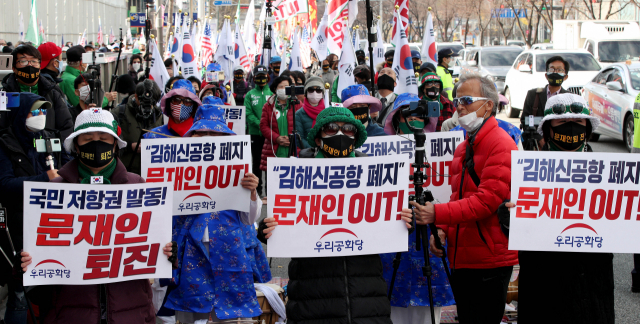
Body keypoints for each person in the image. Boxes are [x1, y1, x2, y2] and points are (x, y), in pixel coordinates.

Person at [258, 107, 414, 324]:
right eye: (331, 128)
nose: (340, 134)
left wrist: (406, 219)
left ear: (356, 136)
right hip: (313, 293)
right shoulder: (295, 174)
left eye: (348, 129)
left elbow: (395, 218)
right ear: (318, 137)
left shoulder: (374, 174)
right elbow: (276, 227)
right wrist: (266, 229)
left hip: (366, 293)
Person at [18, 109, 175, 324]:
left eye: (103, 138)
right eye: (88, 138)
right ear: (76, 145)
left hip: (130, 310)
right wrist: (25, 261)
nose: (96, 143)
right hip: (71, 313)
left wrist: (167, 253)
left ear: (114, 143)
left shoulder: (138, 186)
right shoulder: (53, 191)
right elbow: (35, 251)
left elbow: (154, 243)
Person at [414, 73, 518, 323]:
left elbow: (486, 201)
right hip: (463, 257)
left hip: (490, 260)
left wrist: (436, 215)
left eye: (467, 100)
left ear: (488, 105)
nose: (459, 106)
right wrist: (443, 232)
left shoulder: (501, 144)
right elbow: (457, 197)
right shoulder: (463, 148)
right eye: (457, 100)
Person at [506, 93, 614, 324]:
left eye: (578, 122)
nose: (572, 128)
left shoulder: (608, 175)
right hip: (545, 282)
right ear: (548, 130)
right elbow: (513, 229)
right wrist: (507, 216)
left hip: (592, 283)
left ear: (587, 129)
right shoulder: (528, 174)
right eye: (563, 122)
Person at [164, 105, 266, 323]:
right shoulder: (175, 166)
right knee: (191, 309)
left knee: (234, 310)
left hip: (230, 246)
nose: (208, 138)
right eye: (202, 133)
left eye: (215, 134)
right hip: (188, 248)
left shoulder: (238, 167)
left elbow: (249, 219)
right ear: (192, 135)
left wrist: (252, 192)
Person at [379, 92, 454, 324]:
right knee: (392, 308)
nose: (414, 120)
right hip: (392, 241)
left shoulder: (444, 151)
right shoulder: (380, 151)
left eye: (419, 115)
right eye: (408, 115)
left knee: (428, 312)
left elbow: (452, 197)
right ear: (396, 118)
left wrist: (442, 228)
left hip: (430, 239)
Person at [0, 93, 61, 324]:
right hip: (19, 229)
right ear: (19, 113)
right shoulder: (5, 144)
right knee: (20, 294)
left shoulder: (47, 137)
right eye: (34, 111)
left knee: (48, 292)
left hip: (49, 225)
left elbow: (63, 166)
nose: (40, 117)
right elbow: (4, 185)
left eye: (43, 111)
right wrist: (44, 179)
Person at [1, 44, 74, 143]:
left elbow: (66, 126)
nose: (30, 65)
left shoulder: (52, 92)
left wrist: (49, 144)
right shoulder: (5, 95)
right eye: (23, 61)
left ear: (40, 66)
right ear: (14, 67)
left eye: (34, 61)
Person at [111, 79, 164, 175]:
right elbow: (110, 144)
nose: (148, 107)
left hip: (152, 172)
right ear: (136, 96)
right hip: (125, 172)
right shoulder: (119, 113)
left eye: (152, 103)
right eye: (144, 102)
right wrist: (130, 146)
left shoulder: (160, 116)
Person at [520, 56, 569, 150]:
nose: (555, 72)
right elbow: (525, 121)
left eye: (559, 70)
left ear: (565, 77)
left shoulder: (570, 98)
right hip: (536, 147)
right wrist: (539, 139)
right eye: (552, 69)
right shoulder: (533, 95)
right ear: (546, 75)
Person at [259, 75, 302, 173]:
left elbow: (301, 125)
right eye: (280, 87)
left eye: (286, 87)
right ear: (275, 88)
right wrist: (276, 138)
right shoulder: (268, 106)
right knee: (272, 183)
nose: (283, 89)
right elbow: (263, 126)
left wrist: (294, 138)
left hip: (294, 150)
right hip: (273, 150)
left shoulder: (297, 104)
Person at [245, 65, 272, 198]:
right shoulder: (250, 95)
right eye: (259, 77)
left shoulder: (272, 93)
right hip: (255, 133)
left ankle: (269, 191)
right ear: (254, 78)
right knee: (256, 162)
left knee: (268, 162)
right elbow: (248, 114)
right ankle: (257, 190)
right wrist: (260, 125)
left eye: (264, 76)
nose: (261, 79)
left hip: (269, 135)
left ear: (268, 77)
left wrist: (267, 127)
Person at [294, 76, 326, 148]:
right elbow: (299, 138)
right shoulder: (299, 114)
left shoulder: (328, 111)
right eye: (311, 90)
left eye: (318, 90)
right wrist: (315, 149)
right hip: (308, 155)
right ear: (306, 93)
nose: (315, 93)